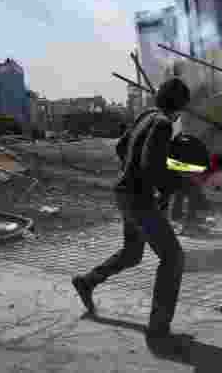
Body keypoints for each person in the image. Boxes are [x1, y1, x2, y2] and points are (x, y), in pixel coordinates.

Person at [72, 78, 192, 341]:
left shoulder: (146, 115)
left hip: (124, 194)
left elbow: (121, 147)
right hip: (138, 199)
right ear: (180, 106)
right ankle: (159, 327)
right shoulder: (162, 124)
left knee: (132, 253)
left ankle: (87, 281)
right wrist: (169, 187)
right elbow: (152, 166)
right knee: (173, 258)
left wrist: (133, 172)